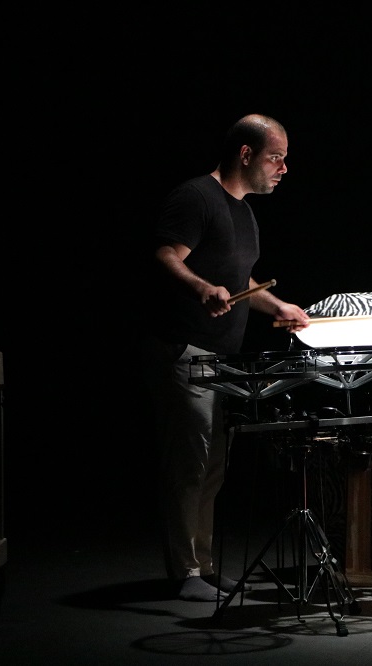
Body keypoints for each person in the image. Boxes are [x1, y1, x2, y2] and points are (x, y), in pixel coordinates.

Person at [145, 114, 310, 602]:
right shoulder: (196, 197)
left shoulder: (245, 213)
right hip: (184, 347)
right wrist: (201, 288)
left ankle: (204, 564)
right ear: (246, 153)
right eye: (275, 157)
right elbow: (165, 256)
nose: (283, 168)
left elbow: (242, 284)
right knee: (190, 462)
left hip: (223, 357)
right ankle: (185, 573)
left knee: (214, 466)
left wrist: (278, 306)